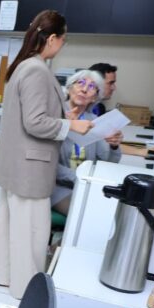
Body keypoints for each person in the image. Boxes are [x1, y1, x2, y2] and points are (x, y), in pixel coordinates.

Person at [0, 10, 94, 299]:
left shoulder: (25, 65)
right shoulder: (36, 69)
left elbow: (32, 116)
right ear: (53, 38)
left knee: (9, 228)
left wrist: (63, 116)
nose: (63, 44)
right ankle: (26, 290)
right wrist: (71, 125)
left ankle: (2, 278)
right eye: (64, 39)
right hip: (30, 168)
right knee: (31, 233)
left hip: (17, 165)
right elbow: (34, 122)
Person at [51, 69, 123, 215]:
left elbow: (107, 163)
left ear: (95, 97)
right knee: (87, 214)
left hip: (85, 184)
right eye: (80, 83)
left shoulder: (94, 121)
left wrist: (114, 146)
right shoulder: (54, 115)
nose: (84, 89)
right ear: (69, 88)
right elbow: (48, 163)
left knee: (111, 212)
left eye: (91, 87)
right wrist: (80, 178)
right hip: (57, 186)